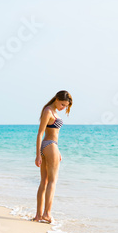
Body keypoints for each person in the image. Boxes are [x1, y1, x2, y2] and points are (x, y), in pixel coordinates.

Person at [33, 90, 72, 223]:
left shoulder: (50, 110)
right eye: (62, 104)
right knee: (52, 182)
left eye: (65, 106)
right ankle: (47, 214)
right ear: (56, 99)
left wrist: (56, 150)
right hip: (49, 145)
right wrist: (37, 154)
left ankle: (39, 215)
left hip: (50, 146)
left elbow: (52, 133)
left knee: (44, 181)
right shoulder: (48, 111)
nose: (63, 108)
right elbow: (40, 133)